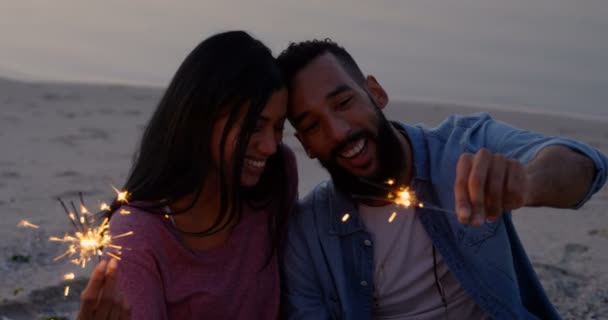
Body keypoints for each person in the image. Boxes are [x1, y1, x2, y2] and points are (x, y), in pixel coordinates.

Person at [277, 39, 607, 319]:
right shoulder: (308, 234)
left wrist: (527, 181)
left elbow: (585, 167)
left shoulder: (465, 146)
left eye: (344, 102)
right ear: (305, 144)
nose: (338, 131)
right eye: (313, 125)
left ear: (376, 93)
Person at [77, 31, 297, 320]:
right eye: (254, 127)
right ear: (201, 119)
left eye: (278, 127)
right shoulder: (138, 236)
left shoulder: (274, 179)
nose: (270, 146)